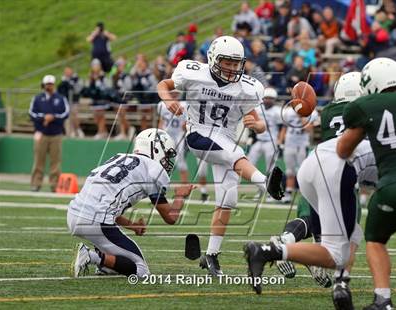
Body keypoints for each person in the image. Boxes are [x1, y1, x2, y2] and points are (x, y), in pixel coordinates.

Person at [157, 35, 283, 276]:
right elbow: (164, 85)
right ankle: (265, 183)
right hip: (199, 134)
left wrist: (255, 125)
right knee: (235, 153)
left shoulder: (247, 87)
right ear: (214, 59)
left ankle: (211, 256)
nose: (232, 68)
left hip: (225, 139)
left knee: (229, 199)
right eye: (227, 62)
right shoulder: (194, 72)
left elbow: (261, 124)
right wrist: (168, 99)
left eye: (236, 63)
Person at [274, 72, 369, 307]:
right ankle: (338, 279)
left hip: (315, 165)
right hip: (341, 172)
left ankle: (294, 246)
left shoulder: (328, 113)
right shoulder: (363, 110)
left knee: (311, 218)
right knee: (350, 229)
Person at [336, 57, 396, 310]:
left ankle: (383, 300)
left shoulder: (364, 106)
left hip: (393, 186)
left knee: (375, 239)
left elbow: (342, 150)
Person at [69, 128, 195, 278]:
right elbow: (170, 217)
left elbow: (105, 204)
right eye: (166, 154)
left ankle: (107, 265)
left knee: (116, 255)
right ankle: (92, 257)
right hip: (95, 221)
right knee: (141, 270)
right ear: (155, 148)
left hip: (74, 213)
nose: (167, 160)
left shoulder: (119, 157)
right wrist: (180, 196)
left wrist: (131, 225)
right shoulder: (153, 169)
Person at [29, 75, 70, 192]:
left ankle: (55, 185)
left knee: (55, 161)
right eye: (47, 84)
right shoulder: (37, 99)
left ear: (54, 85)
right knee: (38, 160)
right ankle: (36, 183)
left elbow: (66, 113)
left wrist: (53, 117)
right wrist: (43, 118)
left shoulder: (61, 98)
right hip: (41, 133)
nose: (49, 86)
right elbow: (32, 113)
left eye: (51, 84)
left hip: (56, 134)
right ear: (43, 85)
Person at [247, 87, 283, 201]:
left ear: (274, 100)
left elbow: (282, 127)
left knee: (271, 169)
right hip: (258, 140)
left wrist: (280, 142)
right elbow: (252, 123)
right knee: (249, 165)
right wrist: (251, 136)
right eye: (266, 98)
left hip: (271, 142)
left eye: (271, 98)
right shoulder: (258, 109)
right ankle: (261, 190)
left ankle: (271, 193)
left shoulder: (277, 111)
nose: (268, 100)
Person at [279, 99, 318, 203]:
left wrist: (302, 117)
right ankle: (288, 194)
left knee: (302, 171)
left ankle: (305, 195)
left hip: (302, 144)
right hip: (289, 143)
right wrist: (280, 142)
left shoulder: (312, 113)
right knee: (289, 171)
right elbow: (284, 128)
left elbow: (308, 129)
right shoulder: (288, 112)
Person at [82, 58, 111, 139]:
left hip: (102, 99)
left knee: (101, 116)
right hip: (94, 99)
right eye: (93, 65)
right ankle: (104, 132)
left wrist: (97, 80)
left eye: (96, 65)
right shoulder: (90, 76)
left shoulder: (103, 76)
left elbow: (105, 87)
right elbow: (87, 87)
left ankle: (100, 132)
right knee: (96, 117)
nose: (95, 67)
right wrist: (90, 79)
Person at [129, 54, 158, 131]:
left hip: (149, 98)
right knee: (142, 116)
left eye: (142, 63)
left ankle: (152, 130)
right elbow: (131, 76)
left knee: (150, 115)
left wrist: (148, 90)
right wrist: (136, 66)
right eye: (140, 64)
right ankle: (143, 130)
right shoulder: (137, 73)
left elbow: (155, 86)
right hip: (141, 98)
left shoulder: (150, 74)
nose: (141, 65)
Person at [57, 67, 84, 138]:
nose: (67, 73)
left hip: (74, 101)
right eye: (66, 71)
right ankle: (70, 132)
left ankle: (78, 130)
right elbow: (60, 90)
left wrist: (71, 84)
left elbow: (78, 89)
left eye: (68, 71)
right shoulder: (63, 80)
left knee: (74, 116)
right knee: (66, 118)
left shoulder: (76, 79)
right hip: (66, 102)